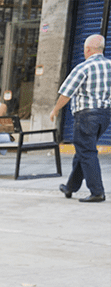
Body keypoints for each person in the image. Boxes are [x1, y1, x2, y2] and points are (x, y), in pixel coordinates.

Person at [50, 34, 111, 203]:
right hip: (105, 116)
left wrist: (55, 110)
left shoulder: (83, 68)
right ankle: (71, 187)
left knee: (87, 152)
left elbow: (66, 93)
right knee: (84, 150)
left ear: (88, 49)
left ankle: (97, 192)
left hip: (86, 116)